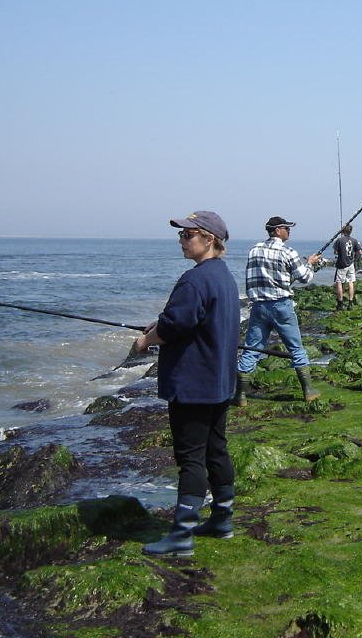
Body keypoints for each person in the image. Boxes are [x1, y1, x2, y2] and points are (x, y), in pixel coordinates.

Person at [134, 211, 240, 557]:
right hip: (220, 381)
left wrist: (146, 340)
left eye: (187, 235)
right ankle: (222, 520)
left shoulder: (194, 281)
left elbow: (174, 326)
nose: (182, 241)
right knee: (216, 449)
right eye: (181, 235)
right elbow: (191, 320)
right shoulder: (223, 277)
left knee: (191, 458)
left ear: (209, 239)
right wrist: (161, 326)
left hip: (194, 384)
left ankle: (181, 535)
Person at [235, 216, 322, 406]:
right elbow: (305, 278)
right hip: (281, 306)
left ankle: (240, 396)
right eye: (286, 228)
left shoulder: (254, 250)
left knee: (252, 348)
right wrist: (311, 263)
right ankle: (309, 391)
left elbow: (255, 279)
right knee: (296, 349)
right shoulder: (288, 252)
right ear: (277, 231)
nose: (289, 231)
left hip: (258, 306)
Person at [332, 224, 361, 310]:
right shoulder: (354, 240)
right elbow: (360, 252)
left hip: (341, 264)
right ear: (351, 231)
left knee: (339, 282)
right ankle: (350, 303)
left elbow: (335, 252)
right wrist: (355, 259)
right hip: (351, 264)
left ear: (343, 231)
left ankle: (340, 303)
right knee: (351, 282)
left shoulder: (339, 240)